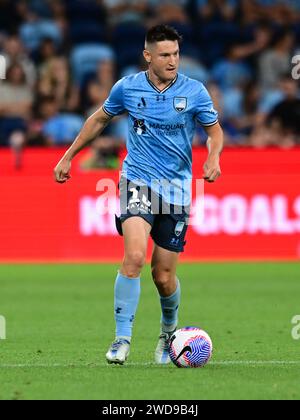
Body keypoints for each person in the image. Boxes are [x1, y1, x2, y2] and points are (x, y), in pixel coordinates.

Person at [54, 25, 223, 365]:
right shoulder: (127, 88)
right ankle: (121, 339)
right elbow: (99, 119)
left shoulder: (195, 92)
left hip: (176, 189)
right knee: (133, 257)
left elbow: (214, 132)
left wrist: (213, 156)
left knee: (163, 276)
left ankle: (167, 333)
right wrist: (68, 155)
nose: (172, 60)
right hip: (137, 182)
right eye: (164, 55)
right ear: (148, 56)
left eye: (175, 53)